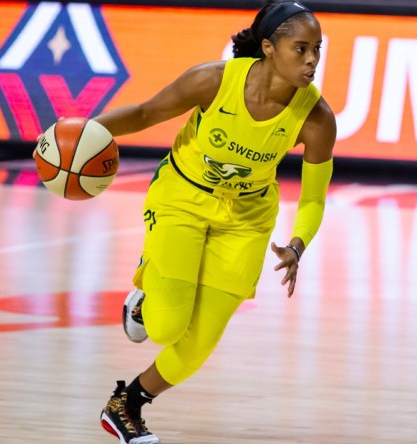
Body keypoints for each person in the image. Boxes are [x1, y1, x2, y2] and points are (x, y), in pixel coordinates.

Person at [94, 1, 336, 442]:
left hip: (247, 220)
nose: (312, 60)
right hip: (183, 198)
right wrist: (83, 130)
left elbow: (315, 198)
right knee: (167, 326)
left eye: (317, 49)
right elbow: (147, 113)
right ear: (268, 48)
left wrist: (298, 245)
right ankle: (147, 289)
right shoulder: (214, 80)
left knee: (199, 343)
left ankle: (125, 406)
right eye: (301, 48)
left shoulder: (317, 118)